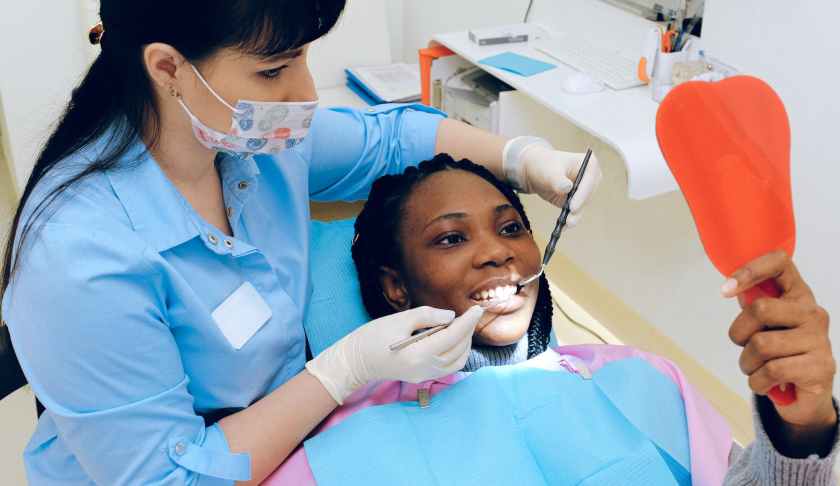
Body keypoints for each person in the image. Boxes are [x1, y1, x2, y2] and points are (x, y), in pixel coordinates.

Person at [0, 2, 602, 485]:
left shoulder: (257, 144)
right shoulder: (78, 256)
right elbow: (165, 476)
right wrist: (343, 372)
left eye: (303, 59)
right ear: (168, 68)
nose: (303, 92)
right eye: (272, 71)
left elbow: (389, 141)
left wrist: (524, 160)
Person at [265, 154, 838, 485]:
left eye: (512, 227)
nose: (498, 252)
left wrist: (802, 426)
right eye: (451, 237)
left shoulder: (643, 380)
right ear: (395, 286)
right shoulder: (340, 445)